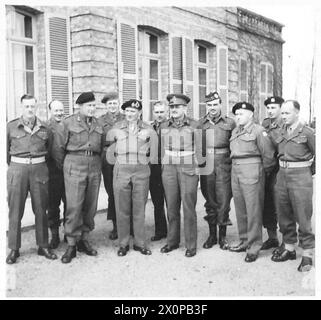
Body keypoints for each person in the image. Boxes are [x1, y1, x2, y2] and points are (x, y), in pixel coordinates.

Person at [53, 92, 104, 263]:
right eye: (88, 106)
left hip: (94, 164)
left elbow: (102, 146)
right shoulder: (67, 123)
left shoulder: (98, 123)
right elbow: (58, 150)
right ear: (79, 106)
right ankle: (71, 244)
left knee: (90, 205)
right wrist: (68, 167)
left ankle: (84, 239)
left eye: (93, 105)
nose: (92, 109)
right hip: (74, 163)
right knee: (74, 205)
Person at [6, 94, 57, 264]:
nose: (30, 109)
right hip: (17, 170)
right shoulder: (11, 127)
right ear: (22, 107)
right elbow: (6, 152)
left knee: (41, 208)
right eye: (26, 106)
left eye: (32, 106)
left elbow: (49, 151)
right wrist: (17, 166)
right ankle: (14, 249)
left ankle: (43, 246)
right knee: (15, 210)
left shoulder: (44, 129)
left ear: (37, 107)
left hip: (39, 169)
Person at [229, 102, 276, 262]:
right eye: (237, 114)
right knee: (241, 209)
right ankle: (244, 241)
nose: (238, 116)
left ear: (251, 115)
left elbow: (268, 156)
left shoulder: (259, 131)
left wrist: (262, 173)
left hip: (252, 172)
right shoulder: (235, 131)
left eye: (242, 113)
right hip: (236, 172)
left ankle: (254, 246)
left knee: (253, 210)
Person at [107, 99, 156, 256]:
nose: (129, 114)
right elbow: (110, 148)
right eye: (127, 111)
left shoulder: (148, 128)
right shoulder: (116, 127)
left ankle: (139, 243)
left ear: (139, 113)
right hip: (122, 168)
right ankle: (123, 244)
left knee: (139, 208)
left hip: (141, 169)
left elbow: (155, 150)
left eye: (133, 111)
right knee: (122, 208)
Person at [271, 100, 315, 272]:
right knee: (284, 213)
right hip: (282, 175)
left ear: (297, 113)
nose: (283, 116)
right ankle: (289, 248)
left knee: (303, 216)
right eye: (282, 113)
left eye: (287, 113)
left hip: (300, 176)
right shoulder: (280, 131)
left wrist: (306, 170)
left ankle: (307, 255)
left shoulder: (307, 132)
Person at [159, 93, 203, 258]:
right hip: (169, 166)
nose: (174, 110)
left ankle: (191, 244)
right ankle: (172, 241)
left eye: (178, 107)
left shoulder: (195, 125)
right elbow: (161, 147)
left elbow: (200, 149)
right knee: (171, 206)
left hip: (188, 166)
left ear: (185, 108)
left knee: (188, 206)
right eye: (172, 107)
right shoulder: (164, 125)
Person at [198, 92, 235, 250]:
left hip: (224, 164)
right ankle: (212, 235)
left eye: (215, 104)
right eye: (209, 105)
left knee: (224, 201)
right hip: (207, 164)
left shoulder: (230, 123)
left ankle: (223, 236)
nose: (212, 108)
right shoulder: (201, 124)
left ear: (220, 105)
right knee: (210, 200)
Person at [99, 92, 125, 240]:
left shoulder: (125, 117)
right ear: (106, 106)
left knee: (125, 190)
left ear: (118, 103)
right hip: (107, 157)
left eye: (115, 103)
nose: (112, 106)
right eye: (109, 104)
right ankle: (116, 226)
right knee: (112, 192)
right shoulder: (100, 121)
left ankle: (128, 225)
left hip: (123, 156)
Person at [260, 96, 284, 250]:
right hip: (266, 168)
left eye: (273, 108)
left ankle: (286, 242)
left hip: (280, 169)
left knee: (280, 205)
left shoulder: (286, 124)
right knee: (267, 203)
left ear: (281, 109)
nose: (270, 110)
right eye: (268, 108)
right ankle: (272, 238)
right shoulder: (265, 124)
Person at [46, 100, 66, 249]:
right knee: (53, 205)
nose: (59, 113)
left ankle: (69, 232)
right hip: (52, 171)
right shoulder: (45, 127)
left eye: (61, 110)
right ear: (50, 111)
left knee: (71, 204)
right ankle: (54, 235)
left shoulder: (68, 126)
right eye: (56, 110)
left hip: (68, 170)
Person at [149, 101, 168, 241]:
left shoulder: (171, 126)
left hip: (168, 166)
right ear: (153, 113)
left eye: (162, 112)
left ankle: (173, 231)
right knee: (157, 201)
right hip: (154, 167)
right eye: (157, 112)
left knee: (172, 201)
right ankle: (160, 230)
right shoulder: (149, 128)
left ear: (166, 112)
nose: (159, 115)